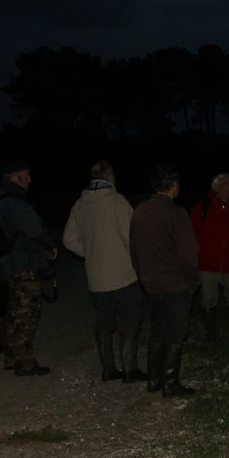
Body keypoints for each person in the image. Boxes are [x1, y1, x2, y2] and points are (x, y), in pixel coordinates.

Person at [62, 160, 147, 384]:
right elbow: (132, 238)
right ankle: (130, 369)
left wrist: (90, 253)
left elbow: (68, 240)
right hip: (123, 275)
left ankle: (108, 369)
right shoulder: (117, 201)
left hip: (97, 278)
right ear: (110, 177)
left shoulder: (80, 204)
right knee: (130, 318)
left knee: (104, 321)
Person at [130, 162, 201, 398]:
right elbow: (189, 253)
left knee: (157, 331)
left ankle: (154, 379)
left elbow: (134, 249)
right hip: (175, 284)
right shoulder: (176, 213)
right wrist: (193, 282)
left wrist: (143, 275)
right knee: (175, 333)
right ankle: (170, 382)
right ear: (173, 185)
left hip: (151, 284)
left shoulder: (140, 211)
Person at [0, 160, 58, 376]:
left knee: (15, 311)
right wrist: (51, 244)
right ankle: (25, 363)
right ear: (14, 177)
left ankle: (12, 356)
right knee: (27, 313)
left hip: (10, 263)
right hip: (22, 263)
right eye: (26, 175)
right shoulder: (14, 202)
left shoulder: (0, 199)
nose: (30, 179)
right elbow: (34, 229)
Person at [189, 172, 229, 343]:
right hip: (208, 264)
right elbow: (192, 234)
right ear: (216, 188)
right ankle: (210, 336)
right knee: (208, 299)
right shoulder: (202, 208)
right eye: (226, 184)